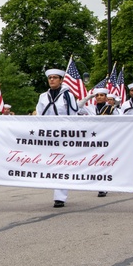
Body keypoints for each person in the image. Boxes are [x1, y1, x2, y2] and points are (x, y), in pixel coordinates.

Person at [35, 68, 81, 208]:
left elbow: (73, 115)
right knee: (50, 163)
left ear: (61, 80)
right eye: (50, 78)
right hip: (48, 134)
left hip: (63, 134)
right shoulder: (43, 96)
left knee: (62, 164)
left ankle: (60, 197)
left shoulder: (67, 96)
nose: (52, 80)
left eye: (55, 78)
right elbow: (39, 115)